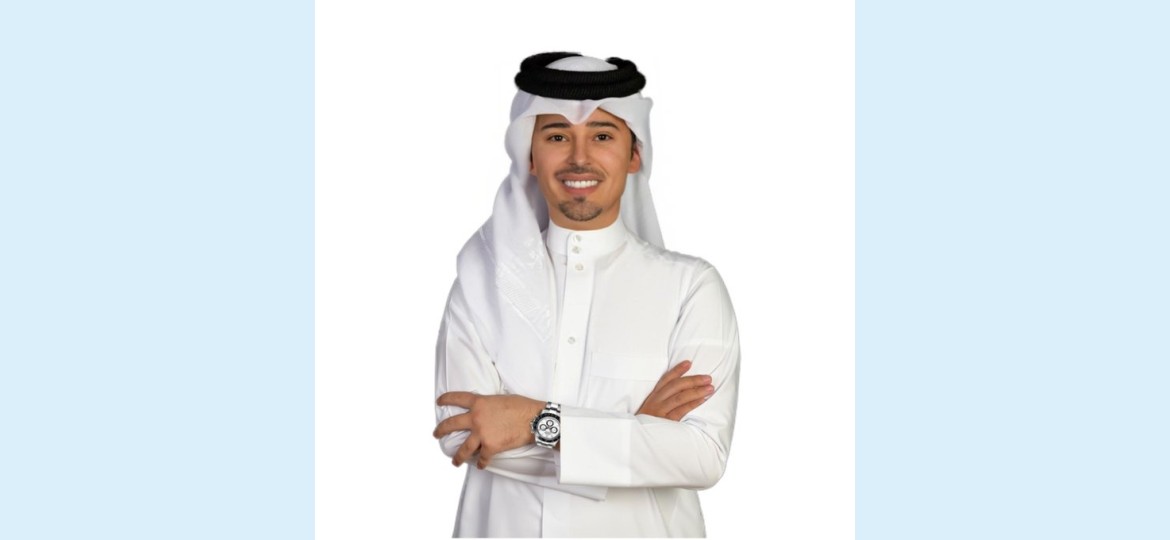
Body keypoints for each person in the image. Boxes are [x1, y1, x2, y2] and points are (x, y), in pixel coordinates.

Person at [432, 52, 741, 537]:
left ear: (634, 155)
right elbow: (464, 437)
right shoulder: (480, 282)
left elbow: (703, 455)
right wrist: (634, 436)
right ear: (530, 156)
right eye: (557, 136)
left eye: (602, 136)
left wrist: (537, 422)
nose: (579, 158)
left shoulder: (692, 288)